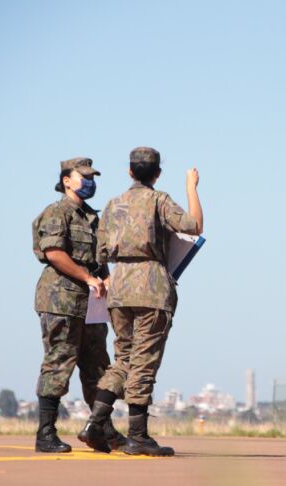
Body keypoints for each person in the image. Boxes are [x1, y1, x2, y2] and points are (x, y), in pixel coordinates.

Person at [78, 147, 203, 456]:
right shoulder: (159, 200)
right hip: (151, 286)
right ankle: (138, 437)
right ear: (157, 174)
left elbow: (100, 253)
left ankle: (95, 423)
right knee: (144, 362)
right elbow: (194, 227)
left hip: (120, 287)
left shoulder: (112, 205)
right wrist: (191, 188)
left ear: (130, 171)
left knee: (123, 359)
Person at [32, 157, 126, 453]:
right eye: (83, 177)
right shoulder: (57, 212)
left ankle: (104, 430)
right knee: (59, 363)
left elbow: (100, 260)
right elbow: (54, 253)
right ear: (66, 180)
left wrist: (106, 279)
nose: (90, 182)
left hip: (91, 304)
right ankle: (45, 434)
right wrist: (87, 277)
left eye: (92, 177)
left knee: (98, 367)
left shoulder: (92, 218)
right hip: (61, 300)